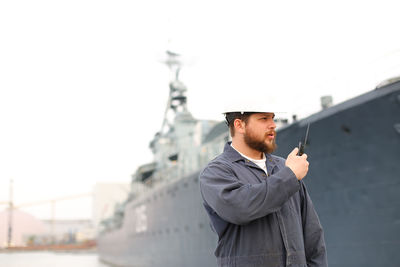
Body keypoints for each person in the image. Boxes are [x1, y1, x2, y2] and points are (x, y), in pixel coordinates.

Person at [199, 104, 328, 267]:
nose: (273, 124)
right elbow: (240, 208)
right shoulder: (216, 172)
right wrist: (290, 176)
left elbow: (312, 235)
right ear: (239, 125)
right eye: (263, 118)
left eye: (272, 118)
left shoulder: (285, 168)